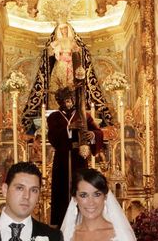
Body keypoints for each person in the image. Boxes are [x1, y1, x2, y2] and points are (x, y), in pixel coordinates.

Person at [48, 87, 103, 228]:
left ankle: (83, 222)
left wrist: (92, 135)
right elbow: (53, 137)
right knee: (62, 190)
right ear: (59, 101)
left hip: (79, 158)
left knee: (81, 186)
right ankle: (62, 225)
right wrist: (69, 128)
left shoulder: (83, 114)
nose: (68, 103)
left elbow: (97, 131)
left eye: (70, 100)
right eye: (64, 101)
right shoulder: (54, 117)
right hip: (62, 158)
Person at [0, 162, 63, 241]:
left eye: (34, 190)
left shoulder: (53, 237)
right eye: (20, 188)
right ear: (5, 190)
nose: (27, 196)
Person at [60, 168, 136, 241]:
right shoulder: (66, 236)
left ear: (105, 197)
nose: (91, 202)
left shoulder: (121, 235)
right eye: (83, 195)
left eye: (97, 194)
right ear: (75, 198)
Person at [49, 23, 82, 93]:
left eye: (65, 28)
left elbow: (77, 49)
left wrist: (77, 49)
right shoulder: (58, 41)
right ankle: (61, 91)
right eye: (62, 29)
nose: (64, 30)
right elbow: (51, 48)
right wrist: (57, 51)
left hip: (70, 62)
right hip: (61, 62)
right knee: (61, 77)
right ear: (59, 31)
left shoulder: (71, 40)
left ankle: (68, 92)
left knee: (69, 78)